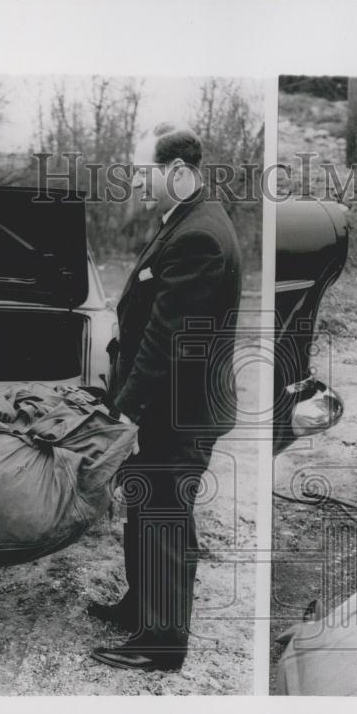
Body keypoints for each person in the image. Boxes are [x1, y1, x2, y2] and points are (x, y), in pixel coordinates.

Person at [89, 123, 242, 672]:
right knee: (144, 503)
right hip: (170, 401)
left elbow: (168, 336)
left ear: (177, 172)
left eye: (143, 171)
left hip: (178, 407)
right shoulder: (187, 221)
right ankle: (142, 607)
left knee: (164, 515)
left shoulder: (199, 234)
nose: (136, 180)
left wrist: (127, 407)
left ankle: (162, 642)